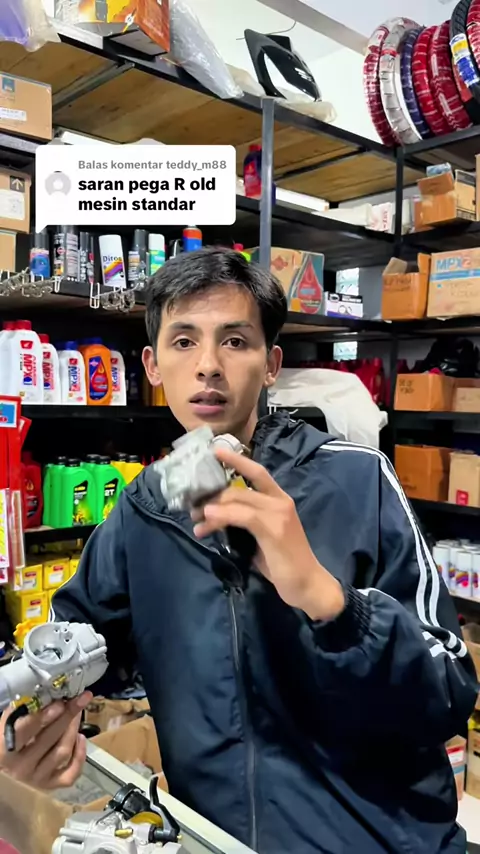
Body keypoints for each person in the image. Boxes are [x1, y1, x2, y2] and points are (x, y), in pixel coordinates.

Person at [0, 248, 477, 854]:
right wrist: (33, 723)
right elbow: (78, 646)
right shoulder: (146, 506)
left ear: (271, 363)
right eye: (183, 342)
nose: (208, 366)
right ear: (152, 365)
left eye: (234, 341)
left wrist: (332, 603)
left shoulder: (358, 480)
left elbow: (448, 692)